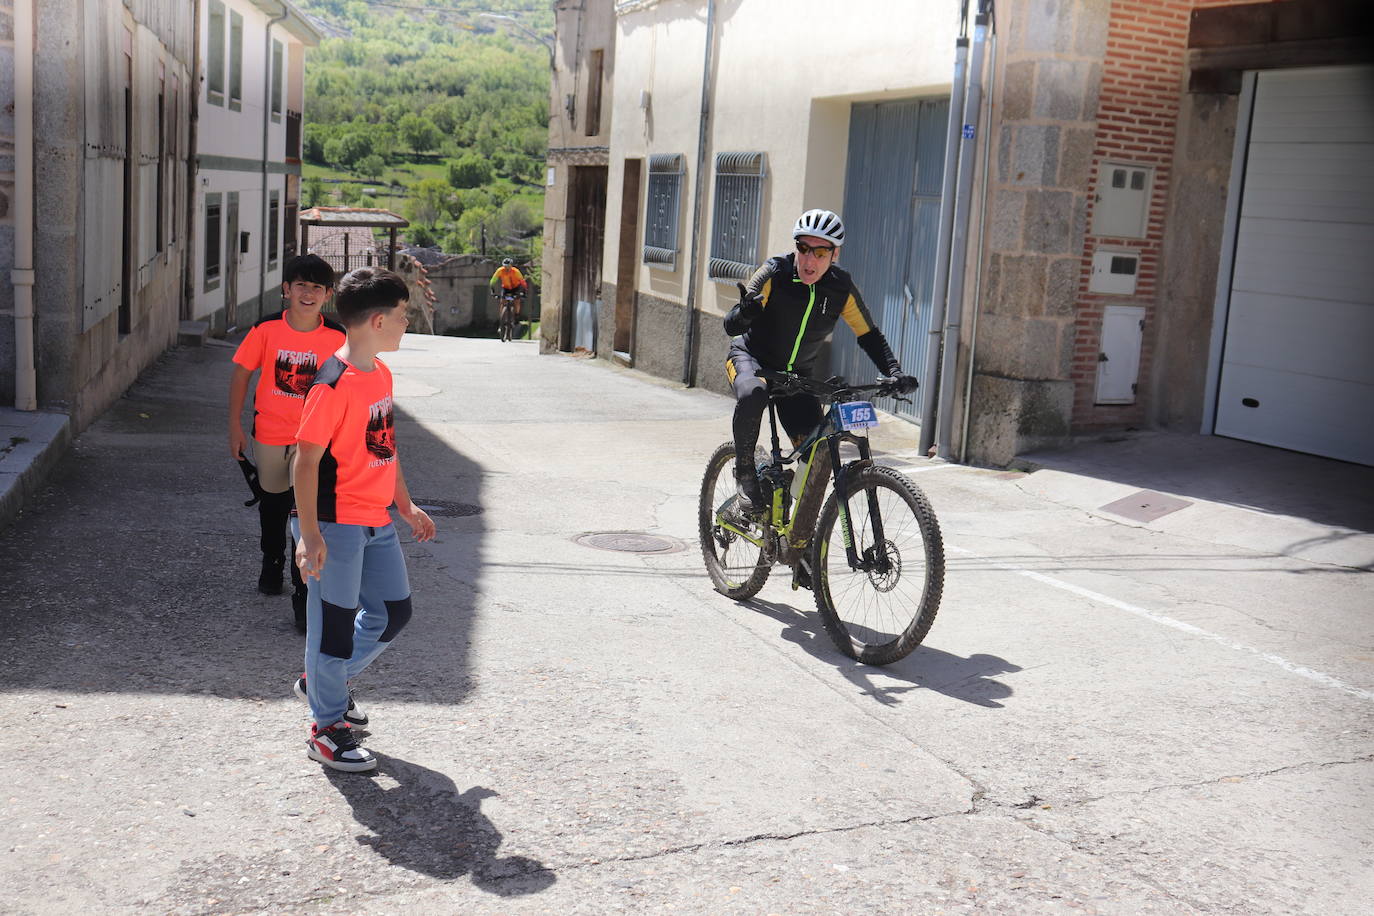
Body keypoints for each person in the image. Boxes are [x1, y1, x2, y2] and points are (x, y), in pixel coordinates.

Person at [291, 266, 436, 773]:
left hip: (376, 520)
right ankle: (326, 729)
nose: (405, 323)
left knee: (393, 613)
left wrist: (405, 504)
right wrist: (309, 535)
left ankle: (320, 682)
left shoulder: (381, 373)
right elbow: (304, 461)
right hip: (335, 526)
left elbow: (383, 447)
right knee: (330, 630)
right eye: (402, 315)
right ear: (377, 320)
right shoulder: (332, 383)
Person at [723, 208, 918, 515]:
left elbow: (868, 334)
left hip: (796, 378)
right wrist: (745, 312)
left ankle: (797, 539)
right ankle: (745, 473)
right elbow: (733, 325)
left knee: (819, 452)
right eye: (803, 248)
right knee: (753, 394)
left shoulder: (840, 288)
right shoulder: (775, 271)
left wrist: (893, 371)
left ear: (834, 255)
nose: (809, 260)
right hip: (752, 360)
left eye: (820, 251)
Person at [228, 254, 344, 631]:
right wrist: (235, 426)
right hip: (270, 435)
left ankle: (303, 592)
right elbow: (242, 376)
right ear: (286, 290)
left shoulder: (338, 338)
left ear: (327, 295)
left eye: (316, 287)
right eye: (301, 286)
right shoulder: (265, 330)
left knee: (304, 513)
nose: (307, 294)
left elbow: (350, 389)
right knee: (273, 504)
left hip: (314, 441)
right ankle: (271, 561)